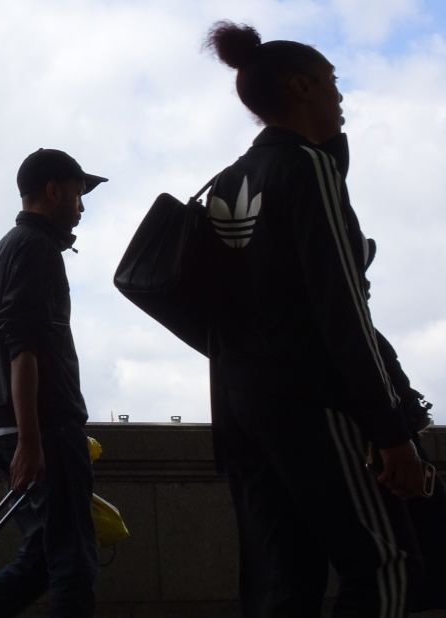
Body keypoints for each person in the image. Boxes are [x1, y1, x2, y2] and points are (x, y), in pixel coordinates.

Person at [203, 21, 427, 617]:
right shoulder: (306, 168)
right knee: (387, 566)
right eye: (332, 81)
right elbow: (342, 307)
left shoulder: (225, 183)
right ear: (301, 86)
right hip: (310, 403)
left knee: (283, 585)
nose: (340, 95)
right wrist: (390, 431)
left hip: (238, 409)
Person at [0, 149, 107, 618]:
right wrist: (33, 438)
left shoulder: (9, 247)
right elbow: (25, 349)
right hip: (42, 426)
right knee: (73, 561)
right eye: (79, 193)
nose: (82, 207)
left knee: (42, 557)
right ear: (53, 191)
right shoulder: (35, 249)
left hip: (4, 423)